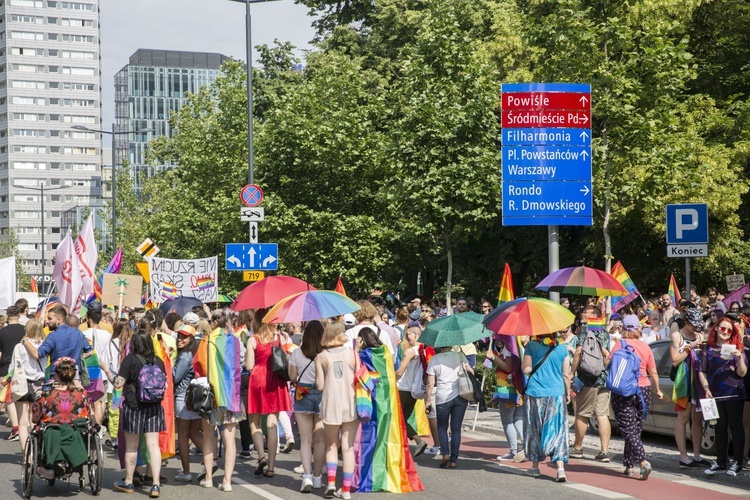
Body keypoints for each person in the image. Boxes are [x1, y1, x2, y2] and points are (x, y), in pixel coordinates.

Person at [194, 309, 245, 490]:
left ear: (214, 322)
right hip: (231, 395)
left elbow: (198, 366)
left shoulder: (207, 341)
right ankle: (227, 481)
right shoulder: (236, 342)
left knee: (208, 436)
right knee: (230, 438)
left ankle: (208, 478)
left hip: (211, 396)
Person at [608, 315, 663, 479]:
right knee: (635, 429)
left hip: (624, 390)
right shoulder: (646, 347)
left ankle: (642, 462)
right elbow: (653, 372)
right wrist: (658, 389)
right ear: (636, 329)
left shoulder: (620, 344)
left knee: (627, 428)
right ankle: (628, 465)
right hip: (644, 389)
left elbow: (608, 363)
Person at [113, 330, 167, 498]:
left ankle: (128, 481)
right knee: (153, 445)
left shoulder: (130, 361)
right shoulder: (158, 361)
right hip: (154, 407)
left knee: (132, 446)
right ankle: (156, 484)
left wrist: (109, 373)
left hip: (134, 407)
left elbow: (118, 384)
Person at [246, 308, 290, 480]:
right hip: (274, 380)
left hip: (257, 379)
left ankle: (261, 456)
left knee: (254, 423)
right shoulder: (279, 338)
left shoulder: (253, 340)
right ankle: (271, 466)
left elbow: (249, 366)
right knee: (272, 423)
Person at [699, 315, 747, 476]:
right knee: (719, 428)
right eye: (723, 328)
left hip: (734, 393)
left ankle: (738, 462)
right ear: (717, 328)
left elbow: (742, 373)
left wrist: (739, 358)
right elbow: (702, 371)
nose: (725, 332)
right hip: (715, 394)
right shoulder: (708, 349)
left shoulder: (737, 348)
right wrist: (706, 388)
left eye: (729, 329)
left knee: (736, 427)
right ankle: (721, 462)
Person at [316, 322, 358, 499]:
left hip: (331, 405)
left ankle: (331, 483)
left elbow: (319, 385)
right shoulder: (353, 354)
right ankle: (346, 490)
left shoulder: (321, 357)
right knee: (348, 448)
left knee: (331, 445)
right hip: (351, 404)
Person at [32, 357, 92, 480]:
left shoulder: (47, 394)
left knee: (40, 429)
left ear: (57, 376)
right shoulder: (81, 394)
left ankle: (47, 465)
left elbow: (35, 417)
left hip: (53, 431)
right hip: (75, 431)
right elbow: (89, 414)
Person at [522, 332, 571, 482]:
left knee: (534, 428)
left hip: (535, 393)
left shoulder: (531, 345)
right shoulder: (562, 348)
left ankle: (535, 467)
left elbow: (526, 370)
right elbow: (566, 374)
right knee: (558, 430)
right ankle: (560, 469)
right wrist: (568, 393)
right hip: (556, 393)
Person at [669, 306, 711, 468]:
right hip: (684, 381)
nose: (696, 327)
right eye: (693, 324)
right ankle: (683, 457)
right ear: (685, 322)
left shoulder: (700, 335)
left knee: (698, 419)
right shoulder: (677, 336)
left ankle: (697, 455)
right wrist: (690, 347)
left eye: (698, 324)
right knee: (684, 418)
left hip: (699, 381)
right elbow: (674, 360)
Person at [570, 306, 611, 462]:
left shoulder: (584, 330)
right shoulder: (605, 332)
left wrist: (571, 372)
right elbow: (607, 354)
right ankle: (604, 451)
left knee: (582, 414)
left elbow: (578, 352)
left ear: (594, 315)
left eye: (586, 311)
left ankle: (578, 447)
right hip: (603, 379)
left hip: (587, 379)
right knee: (602, 414)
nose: (582, 313)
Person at [289, 320, 325, 493]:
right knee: (319, 440)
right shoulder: (325, 353)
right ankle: (318, 477)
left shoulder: (297, 353)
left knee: (305, 440)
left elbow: (292, 376)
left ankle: (307, 477)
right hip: (322, 394)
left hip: (302, 393)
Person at [426, 344, 472, 469]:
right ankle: (453, 460)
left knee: (442, 426)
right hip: (460, 396)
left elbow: (430, 383)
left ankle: (445, 453)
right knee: (456, 429)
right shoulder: (460, 355)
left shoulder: (435, 359)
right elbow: (471, 372)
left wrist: (428, 400)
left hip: (442, 397)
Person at [486, 335, 528, 462]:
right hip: (521, 387)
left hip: (508, 388)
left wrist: (493, 358)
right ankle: (525, 447)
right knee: (518, 418)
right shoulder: (522, 347)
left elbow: (508, 367)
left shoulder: (510, 347)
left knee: (507, 420)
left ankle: (513, 451)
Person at [7, 319, 46, 451]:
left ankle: (27, 453)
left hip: (23, 384)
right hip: (39, 384)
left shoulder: (20, 346)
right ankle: (39, 450)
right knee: (36, 420)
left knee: (22, 422)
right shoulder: (44, 345)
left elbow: (13, 367)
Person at [23, 304, 92, 379]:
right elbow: (89, 352)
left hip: (57, 376)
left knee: (58, 391)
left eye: (50, 318)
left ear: (59, 320)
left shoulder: (53, 336)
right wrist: (75, 358)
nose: (47, 321)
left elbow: (37, 354)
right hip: (74, 375)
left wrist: (25, 341)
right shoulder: (78, 333)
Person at [173, 324, 203, 482]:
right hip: (195, 397)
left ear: (191, 339)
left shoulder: (185, 356)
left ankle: (186, 472)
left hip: (183, 398)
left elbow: (175, 377)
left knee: (183, 436)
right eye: (179, 336)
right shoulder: (195, 352)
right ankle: (211, 462)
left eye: (184, 337)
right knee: (194, 433)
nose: (180, 339)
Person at [395, 325, 429, 457]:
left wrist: (389, 378)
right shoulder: (424, 351)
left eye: (408, 334)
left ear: (416, 334)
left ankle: (418, 440)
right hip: (415, 390)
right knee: (403, 418)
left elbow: (400, 372)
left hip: (404, 388)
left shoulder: (410, 352)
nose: (406, 337)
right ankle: (406, 444)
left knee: (398, 418)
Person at [81, 301, 114, 429]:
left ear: (88, 318)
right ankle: (98, 429)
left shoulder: (83, 334)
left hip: (87, 371)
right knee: (100, 401)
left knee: (88, 401)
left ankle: (90, 425)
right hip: (102, 372)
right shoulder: (107, 335)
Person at [105, 318, 132, 450]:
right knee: (125, 410)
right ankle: (125, 436)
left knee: (114, 409)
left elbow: (108, 362)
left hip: (115, 382)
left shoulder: (111, 343)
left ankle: (114, 438)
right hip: (127, 382)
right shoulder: (131, 344)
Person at [0, 306, 26, 441]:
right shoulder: (25, 330)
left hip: (6, 367)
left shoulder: (2, 332)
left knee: (9, 398)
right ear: (19, 316)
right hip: (22, 367)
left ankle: (16, 426)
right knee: (22, 397)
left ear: (7, 315)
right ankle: (24, 425)